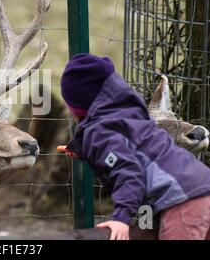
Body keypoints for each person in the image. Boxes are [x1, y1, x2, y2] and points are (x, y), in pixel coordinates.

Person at [60, 53, 210, 240]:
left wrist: (121, 219)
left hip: (182, 202)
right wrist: (85, 147)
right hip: (202, 186)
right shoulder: (132, 114)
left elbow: (129, 173)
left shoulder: (101, 133)